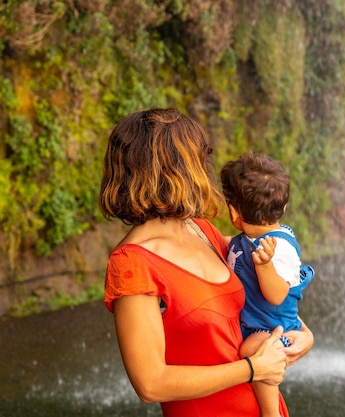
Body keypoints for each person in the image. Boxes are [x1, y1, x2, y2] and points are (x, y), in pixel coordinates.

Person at [98, 108, 313, 417]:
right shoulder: (133, 264)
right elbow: (151, 383)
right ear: (170, 170)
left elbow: (264, 290)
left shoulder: (200, 229)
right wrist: (252, 368)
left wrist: (303, 333)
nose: (204, 167)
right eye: (196, 158)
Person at [220, 152, 315, 417]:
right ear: (282, 208)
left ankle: (270, 412)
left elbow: (277, 295)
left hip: (272, 328)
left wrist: (264, 267)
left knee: (254, 349)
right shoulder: (248, 238)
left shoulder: (278, 249)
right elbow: (231, 246)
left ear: (233, 212)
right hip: (255, 320)